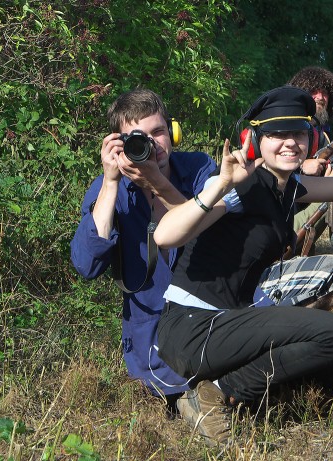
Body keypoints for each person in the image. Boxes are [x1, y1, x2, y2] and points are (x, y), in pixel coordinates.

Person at [153, 86, 333, 446]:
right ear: (256, 140)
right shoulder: (241, 187)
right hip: (193, 327)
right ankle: (213, 395)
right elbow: (166, 235)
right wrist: (220, 184)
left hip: (231, 320)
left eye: (297, 133)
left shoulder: (288, 186)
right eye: (277, 135)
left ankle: (253, 395)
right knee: (332, 333)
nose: (289, 143)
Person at [70, 88, 217, 409]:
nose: (152, 144)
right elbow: (86, 265)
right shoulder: (108, 188)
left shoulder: (199, 169)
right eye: (138, 137)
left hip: (210, 318)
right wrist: (110, 182)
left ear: (173, 132)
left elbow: (218, 233)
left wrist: (157, 183)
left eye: (158, 132)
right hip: (152, 336)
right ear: (119, 144)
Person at [288, 66, 333, 254]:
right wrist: (302, 165)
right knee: (332, 192)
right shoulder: (285, 127)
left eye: (325, 93)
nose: (320, 97)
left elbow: (331, 169)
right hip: (276, 220)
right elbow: (265, 169)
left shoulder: (322, 135)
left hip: (297, 212)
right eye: (313, 91)